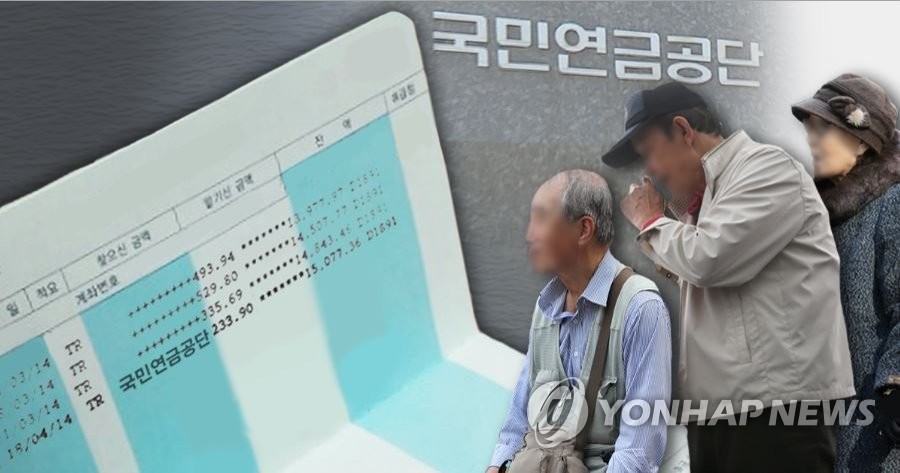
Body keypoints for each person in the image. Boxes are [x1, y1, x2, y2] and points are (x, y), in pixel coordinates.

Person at [602, 82, 855, 473]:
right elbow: (720, 285)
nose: (649, 169)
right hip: (723, 412)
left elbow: (710, 259)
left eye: (649, 152)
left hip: (775, 413)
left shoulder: (766, 167)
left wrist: (652, 222)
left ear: (683, 130)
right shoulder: (708, 200)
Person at [486, 170, 672, 473]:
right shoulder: (545, 308)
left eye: (542, 219)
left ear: (584, 229)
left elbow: (640, 450)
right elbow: (518, 420)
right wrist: (497, 466)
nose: (530, 235)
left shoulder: (641, 308)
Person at [792, 73, 900, 472]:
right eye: (809, 129)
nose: (811, 140)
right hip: (825, 425)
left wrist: (894, 385)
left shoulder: (892, 204)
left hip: (877, 430)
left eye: (823, 128)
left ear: (861, 139)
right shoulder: (819, 220)